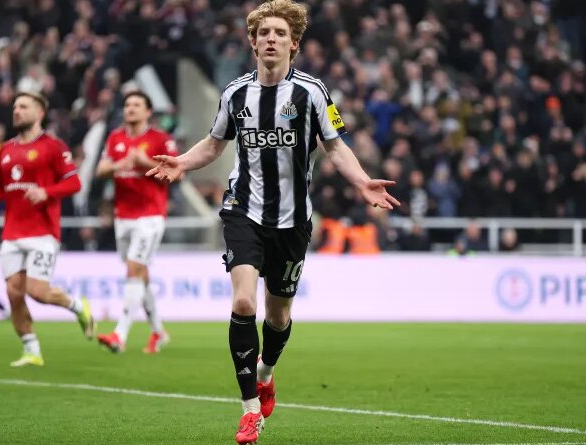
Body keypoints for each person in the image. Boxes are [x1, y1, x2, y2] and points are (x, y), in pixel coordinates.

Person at [146, 1, 400, 443]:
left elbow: (336, 146)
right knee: (244, 303)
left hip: (293, 220)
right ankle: (248, 411)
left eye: (280, 33)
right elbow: (213, 143)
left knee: (278, 316)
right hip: (243, 209)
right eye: (263, 32)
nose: (270, 39)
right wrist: (183, 164)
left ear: (293, 44)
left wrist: (362, 182)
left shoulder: (313, 93)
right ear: (252, 42)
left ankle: (266, 371)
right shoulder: (235, 94)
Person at [0, 91, 95, 368]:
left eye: (24, 106)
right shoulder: (6, 149)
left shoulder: (53, 146)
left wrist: (46, 192)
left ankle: (78, 306)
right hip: (12, 234)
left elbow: (74, 183)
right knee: (14, 293)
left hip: (42, 232)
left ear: (39, 113)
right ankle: (32, 350)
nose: (17, 110)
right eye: (15, 106)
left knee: (37, 292)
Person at [95, 91, 178, 354]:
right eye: (127, 104)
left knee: (133, 268)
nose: (130, 109)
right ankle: (158, 332)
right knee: (140, 274)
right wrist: (119, 165)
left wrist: (144, 163)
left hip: (150, 215)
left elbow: (178, 174)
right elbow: (100, 170)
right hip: (124, 216)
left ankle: (119, 334)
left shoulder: (160, 140)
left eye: (136, 105)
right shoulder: (115, 138)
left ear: (148, 112)